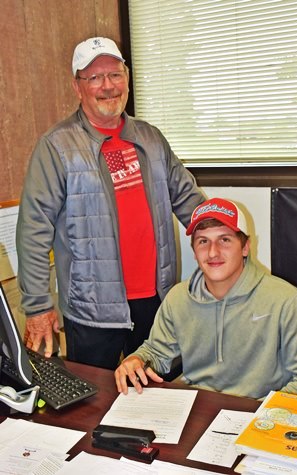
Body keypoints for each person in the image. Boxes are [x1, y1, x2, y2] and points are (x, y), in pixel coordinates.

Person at [16, 37, 205, 369]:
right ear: (78, 87)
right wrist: (37, 306)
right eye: (94, 78)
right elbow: (33, 230)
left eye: (115, 75)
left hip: (155, 300)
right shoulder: (56, 146)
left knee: (159, 397)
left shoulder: (150, 137)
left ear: (127, 79)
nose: (107, 86)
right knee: (93, 403)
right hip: (92, 311)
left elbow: (189, 201)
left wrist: (223, 246)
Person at [115, 197, 297, 399]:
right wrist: (136, 360)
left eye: (225, 240)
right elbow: (156, 352)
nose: (213, 252)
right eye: (203, 241)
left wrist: (260, 411)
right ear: (194, 250)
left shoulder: (287, 301)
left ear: (245, 247)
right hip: (195, 409)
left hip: (258, 414)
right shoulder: (178, 297)